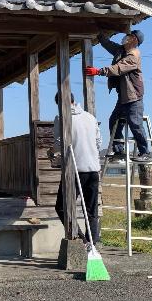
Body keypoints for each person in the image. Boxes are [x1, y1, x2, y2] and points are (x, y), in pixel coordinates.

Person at [85, 30, 152, 162]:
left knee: (135, 124)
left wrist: (98, 71)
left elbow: (118, 68)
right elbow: (109, 44)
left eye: (130, 36)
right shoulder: (121, 50)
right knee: (114, 121)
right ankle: (119, 151)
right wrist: (99, 33)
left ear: (134, 40)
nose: (126, 37)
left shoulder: (133, 55)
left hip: (134, 97)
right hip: (123, 97)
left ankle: (145, 153)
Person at [52, 93, 102, 246]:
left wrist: (52, 152)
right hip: (93, 168)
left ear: (60, 104)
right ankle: (93, 245)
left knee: (62, 207)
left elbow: (59, 143)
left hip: (74, 170)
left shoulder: (61, 118)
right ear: (74, 101)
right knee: (91, 211)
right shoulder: (90, 117)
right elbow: (98, 142)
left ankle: (82, 239)